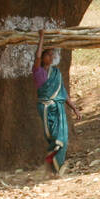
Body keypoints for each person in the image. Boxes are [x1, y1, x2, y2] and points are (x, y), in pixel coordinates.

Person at [33, 27, 79, 174]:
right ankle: (51, 163)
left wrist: (74, 108)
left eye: (52, 55)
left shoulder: (56, 73)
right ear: (43, 57)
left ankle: (54, 166)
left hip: (58, 108)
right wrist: (42, 38)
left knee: (62, 139)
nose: (51, 58)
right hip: (45, 108)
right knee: (53, 136)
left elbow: (63, 93)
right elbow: (37, 57)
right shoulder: (38, 71)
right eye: (49, 55)